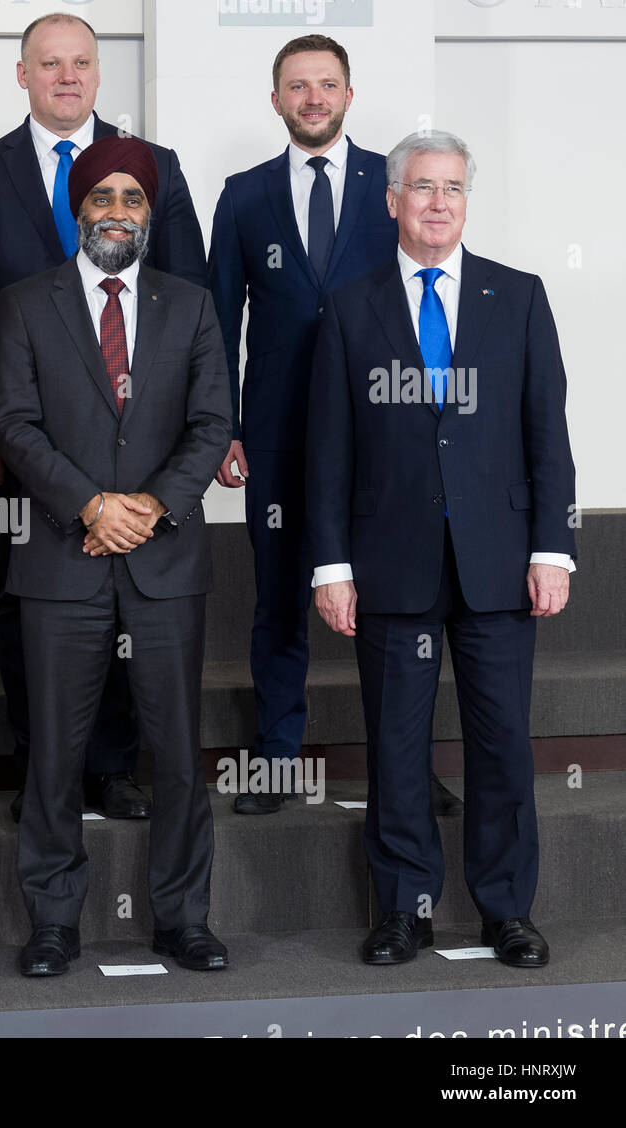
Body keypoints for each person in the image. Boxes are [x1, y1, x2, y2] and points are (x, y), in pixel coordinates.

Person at [0, 12, 207, 824]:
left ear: (97, 72)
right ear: (23, 75)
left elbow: (193, 298)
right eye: (49, 65)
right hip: (24, 441)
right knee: (28, 601)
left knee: (128, 593)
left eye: (80, 63)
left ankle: (113, 766)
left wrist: (204, 432)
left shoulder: (151, 167)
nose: (66, 77)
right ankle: (41, 767)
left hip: (144, 445)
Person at [308, 131, 576, 967]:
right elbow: (328, 450)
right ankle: (403, 911)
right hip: (391, 563)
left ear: (467, 200)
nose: (437, 203)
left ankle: (507, 911)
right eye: (422, 187)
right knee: (396, 745)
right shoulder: (350, 309)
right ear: (391, 201)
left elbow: (547, 434)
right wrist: (331, 564)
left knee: (503, 744)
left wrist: (553, 549)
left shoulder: (520, 297)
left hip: (500, 563)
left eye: (452, 188)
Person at [0, 136, 231, 977]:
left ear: (150, 212)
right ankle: (54, 922)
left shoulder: (191, 305)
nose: (118, 212)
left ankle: (183, 919)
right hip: (62, 560)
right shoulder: (24, 304)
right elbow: (15, 426)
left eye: (133, 198)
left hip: (165, 564)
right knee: (55, 753)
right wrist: (93, 506)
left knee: (176, 754)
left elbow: (211, 425)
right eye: (103, 198)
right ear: (78, 210)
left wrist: (151, 507)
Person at [207, 36, 461, 817]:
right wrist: (222, 425)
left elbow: (425, 291)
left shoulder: (394, 184)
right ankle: (279, 758)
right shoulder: (243, 195)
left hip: (382, 428)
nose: (312, 98)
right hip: (279, 432)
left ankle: (410, 771)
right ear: (276, 99)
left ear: (348, 94)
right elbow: (217, 322)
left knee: (400, 604)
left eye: (326, 85)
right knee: (279, 599)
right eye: (297, 86)